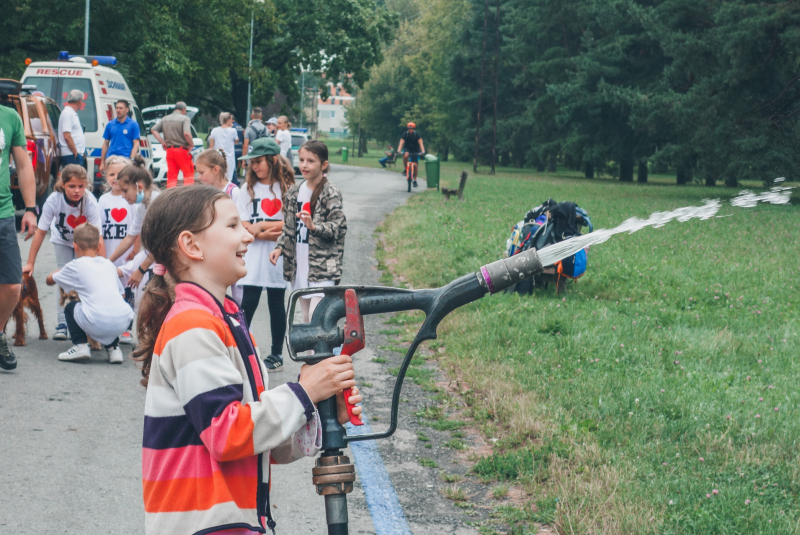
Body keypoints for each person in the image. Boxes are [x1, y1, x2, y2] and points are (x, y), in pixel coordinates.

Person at [132, 185, 361, 535]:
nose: (248, 236)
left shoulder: (225, 319)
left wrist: (315, 409)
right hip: (203, 526)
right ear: (191, 246)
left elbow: (258, 442)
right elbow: (226, 434)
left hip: (227, 523)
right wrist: (303, 391)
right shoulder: (192, 325)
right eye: (233, 225)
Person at [23, 165, 104, 341]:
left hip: (84, 243)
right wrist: (31, 262)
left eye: (81, 187)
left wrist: (103, 264)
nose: (77, 190)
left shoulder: (90, 202)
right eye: (72, 186)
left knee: (85, 278)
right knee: (64, 277)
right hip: (62, 241)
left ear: (86, 186)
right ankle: (62, 323)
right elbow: (41, 232)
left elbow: (98, 237)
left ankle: (85, 323)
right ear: (63, 184)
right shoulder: (54, 200)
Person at [269, 141, 346, 326]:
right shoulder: (294, 191)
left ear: (324, 165)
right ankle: (311, 356)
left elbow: (338, 227)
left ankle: (327, 354)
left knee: (315, 317)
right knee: (305, 318)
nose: (304, 165)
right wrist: (279, 247)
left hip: (322, 267)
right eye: (301, 160)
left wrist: (314, 226)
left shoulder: (330, 192)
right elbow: (288, 227)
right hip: (299, 264)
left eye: (310, 161)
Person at [235, 138, 294, 372]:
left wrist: (260, 227)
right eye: (251, 162)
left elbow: (291, 222)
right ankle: (241, 351)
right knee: (248, 303)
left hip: (278, 257)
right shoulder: (246, 189)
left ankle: (276, 354)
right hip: (254, 256)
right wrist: (268, 230)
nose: (254, 166)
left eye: (258, 161)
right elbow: (244, 224)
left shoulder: (287, 188)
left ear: (272, 160)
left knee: (276, 304)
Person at [46, 223, 133, 363]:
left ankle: (80, 346)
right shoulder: (109, 265)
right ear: (99, 246)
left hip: (97, 321)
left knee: (71, 307)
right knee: (109, 306)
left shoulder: (75, 265)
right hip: (123, 322)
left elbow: (49, 280)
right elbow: (122, 295)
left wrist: (58, 271)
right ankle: (114, 349)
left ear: (75, 246)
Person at [0, 103, 38, 370]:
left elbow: (23, 165)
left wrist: (30, 208)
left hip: (2, 213)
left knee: (13, 286)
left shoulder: (9, 116)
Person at [97, 155, 136, 345]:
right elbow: (98, 231)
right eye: (111, 174)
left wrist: (135, 251)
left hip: (128, 255)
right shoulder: (103, 200)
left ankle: (127, 328)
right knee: (111, 291)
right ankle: (110, 326)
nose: (115, 178)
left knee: (128, 291)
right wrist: (102, 256)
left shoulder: (133, 200)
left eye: (120, 174)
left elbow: (138, 230)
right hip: (109, 253)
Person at [107, 156, 160, 291]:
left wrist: (140, 270)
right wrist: (107, 262)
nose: (123, 196)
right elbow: (130, 238)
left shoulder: (157, 203)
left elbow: (161, 245)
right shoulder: (142, 205)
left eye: (125, 191)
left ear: (139, 187)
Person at [149, 102, 194, 188]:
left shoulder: (165, 119)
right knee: (188, 176)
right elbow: (186, 134)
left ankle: (170, 197)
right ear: (183, 109)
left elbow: (153, 130)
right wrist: (191, 144)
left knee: (172, 177)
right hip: (182, 151)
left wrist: (163, 142)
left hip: (169, 151)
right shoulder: (185, 119)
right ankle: (190, 196)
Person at [99, 100, 140, 170]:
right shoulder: (110, 124)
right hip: (111, 159)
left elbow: (136, 144)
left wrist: (131, 159)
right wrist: (102, 162)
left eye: (121, 108)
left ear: (127, 110)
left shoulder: (133, 124)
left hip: (125, 159)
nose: (118, 110)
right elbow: (106, 143)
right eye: (117, 108)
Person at [208, 112, 240, 183]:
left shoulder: (214, 130)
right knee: (228, 179)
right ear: (229, 120)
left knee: (218, 177)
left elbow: (211, 145)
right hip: (229, 158)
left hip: (218, 157)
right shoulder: (233, 131)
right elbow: (236, 141)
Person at [58, 89, 87, 167]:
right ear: (80, 101)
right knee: (75, 178)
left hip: (73, 154)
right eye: (83, 101)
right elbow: (67, 136)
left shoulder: (71, 113)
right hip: (71, 154)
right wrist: (75, 152)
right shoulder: (68, 113)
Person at [397, 122, 426, 187]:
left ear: (414, 128)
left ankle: (415, 180)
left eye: (412, 128)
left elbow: (421, 143)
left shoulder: (417, 134)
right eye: (409, 128)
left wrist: (423, 151)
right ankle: (405, 169)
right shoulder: (405, 134)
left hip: (415, 150)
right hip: (407, 149)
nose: (410, 130)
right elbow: (401, 142)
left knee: (415, 165)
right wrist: (399, 150)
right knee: (405, 155)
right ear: (407, 129)